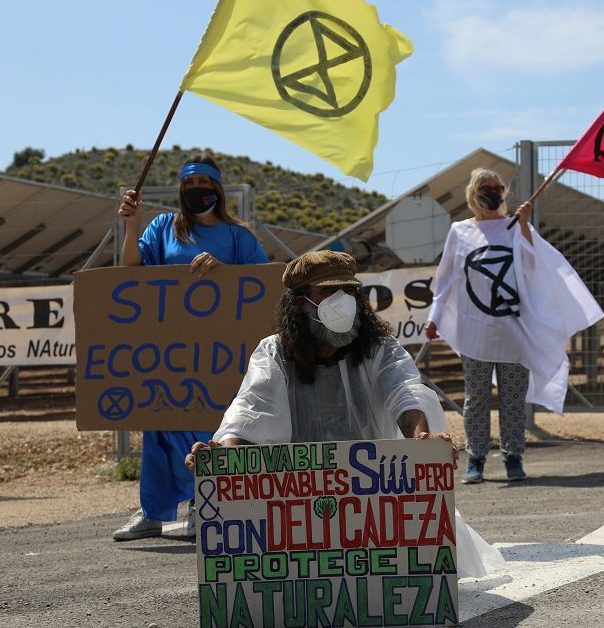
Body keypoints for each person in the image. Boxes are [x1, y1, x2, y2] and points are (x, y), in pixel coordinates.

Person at [184, 250, 505, 578]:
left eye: (350, 291)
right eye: (329, 292)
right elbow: (252, 408)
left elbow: (405, 392)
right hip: (298, 501)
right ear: (300, 302)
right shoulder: (274, 352)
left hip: (370, 499)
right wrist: (222, 455)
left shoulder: (378, 347)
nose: (343, 300)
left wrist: (420, 438)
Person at [112, 155, 268, 541]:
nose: (195, 188)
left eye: (203, 181)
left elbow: (262, 285)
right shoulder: (164, 228)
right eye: (188, 182)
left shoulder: (238, 237)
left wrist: (225, 272)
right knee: (161, 426)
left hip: (220, 356)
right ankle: (153, 512)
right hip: (171, 349)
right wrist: (132, 226)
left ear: (217, 188)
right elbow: (132, 271)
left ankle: (206, 503)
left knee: (210, 424)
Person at [425, 167, 603, 485]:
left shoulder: (516, 227)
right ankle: (476, 459)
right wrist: (434, 317)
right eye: (487, 188)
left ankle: (513, 457)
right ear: (474, 193)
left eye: (499, 187)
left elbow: (536, 265)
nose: (495, 193)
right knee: (476, 397)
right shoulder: (460, 231)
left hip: (513, 330)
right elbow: (446, 279)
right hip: (474, 332)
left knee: (512, 397)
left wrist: (524, 227)